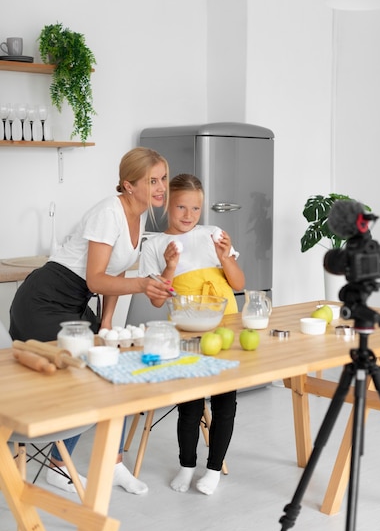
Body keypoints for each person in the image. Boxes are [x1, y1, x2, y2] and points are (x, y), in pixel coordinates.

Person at [9, 147, 174, 495]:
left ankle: (112, 465)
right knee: (87, 376)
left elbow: (115, 272)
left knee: (114, 369)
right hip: (44, 299)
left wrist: (108, 320)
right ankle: (58, 468)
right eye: (152, 180)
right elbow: (97, 279)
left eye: (163, 179)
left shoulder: (140, 214)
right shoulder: (107, 213)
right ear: (128, 186)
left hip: (76, 302)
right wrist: (143, 285)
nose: (161, 187)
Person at [138, 173, 245, 495]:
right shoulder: (154, 244)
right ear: (166, 205)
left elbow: (238, 285)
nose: (188, 215)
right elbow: (157, 299)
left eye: (195, 208)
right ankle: (187, 465)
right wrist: (170, 266)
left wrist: (225, 257)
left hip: (225, 325)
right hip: (185, 331)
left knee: (225, 402)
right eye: (181, 207)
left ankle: (213, 470)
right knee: (190, 404)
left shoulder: (213, 235)